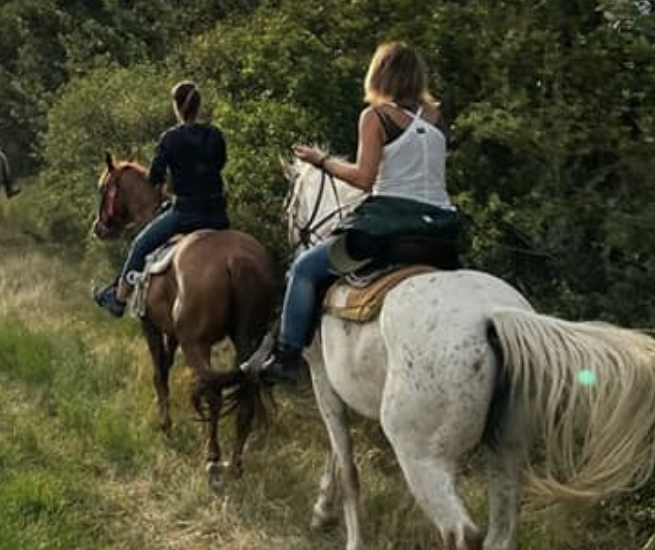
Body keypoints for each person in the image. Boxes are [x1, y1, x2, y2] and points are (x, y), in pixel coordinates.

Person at [248, 42, 459, 384]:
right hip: (441, 235)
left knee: (304, 268)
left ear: (380, 74)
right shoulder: (437, 119)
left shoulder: (375, 117)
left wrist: (322, 162)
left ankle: (287, 357)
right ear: (417, 76)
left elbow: (364, 179)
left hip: (390, 232)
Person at [92, 79, 229, 318]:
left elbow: (154, 177)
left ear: (176, 107)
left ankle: (119, 297)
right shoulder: (215, 135)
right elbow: (219, 164)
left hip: (186, 214)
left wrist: (172, 178)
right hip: (218, 215)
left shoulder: (170, 139)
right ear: (198, 106)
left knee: (140, 245)